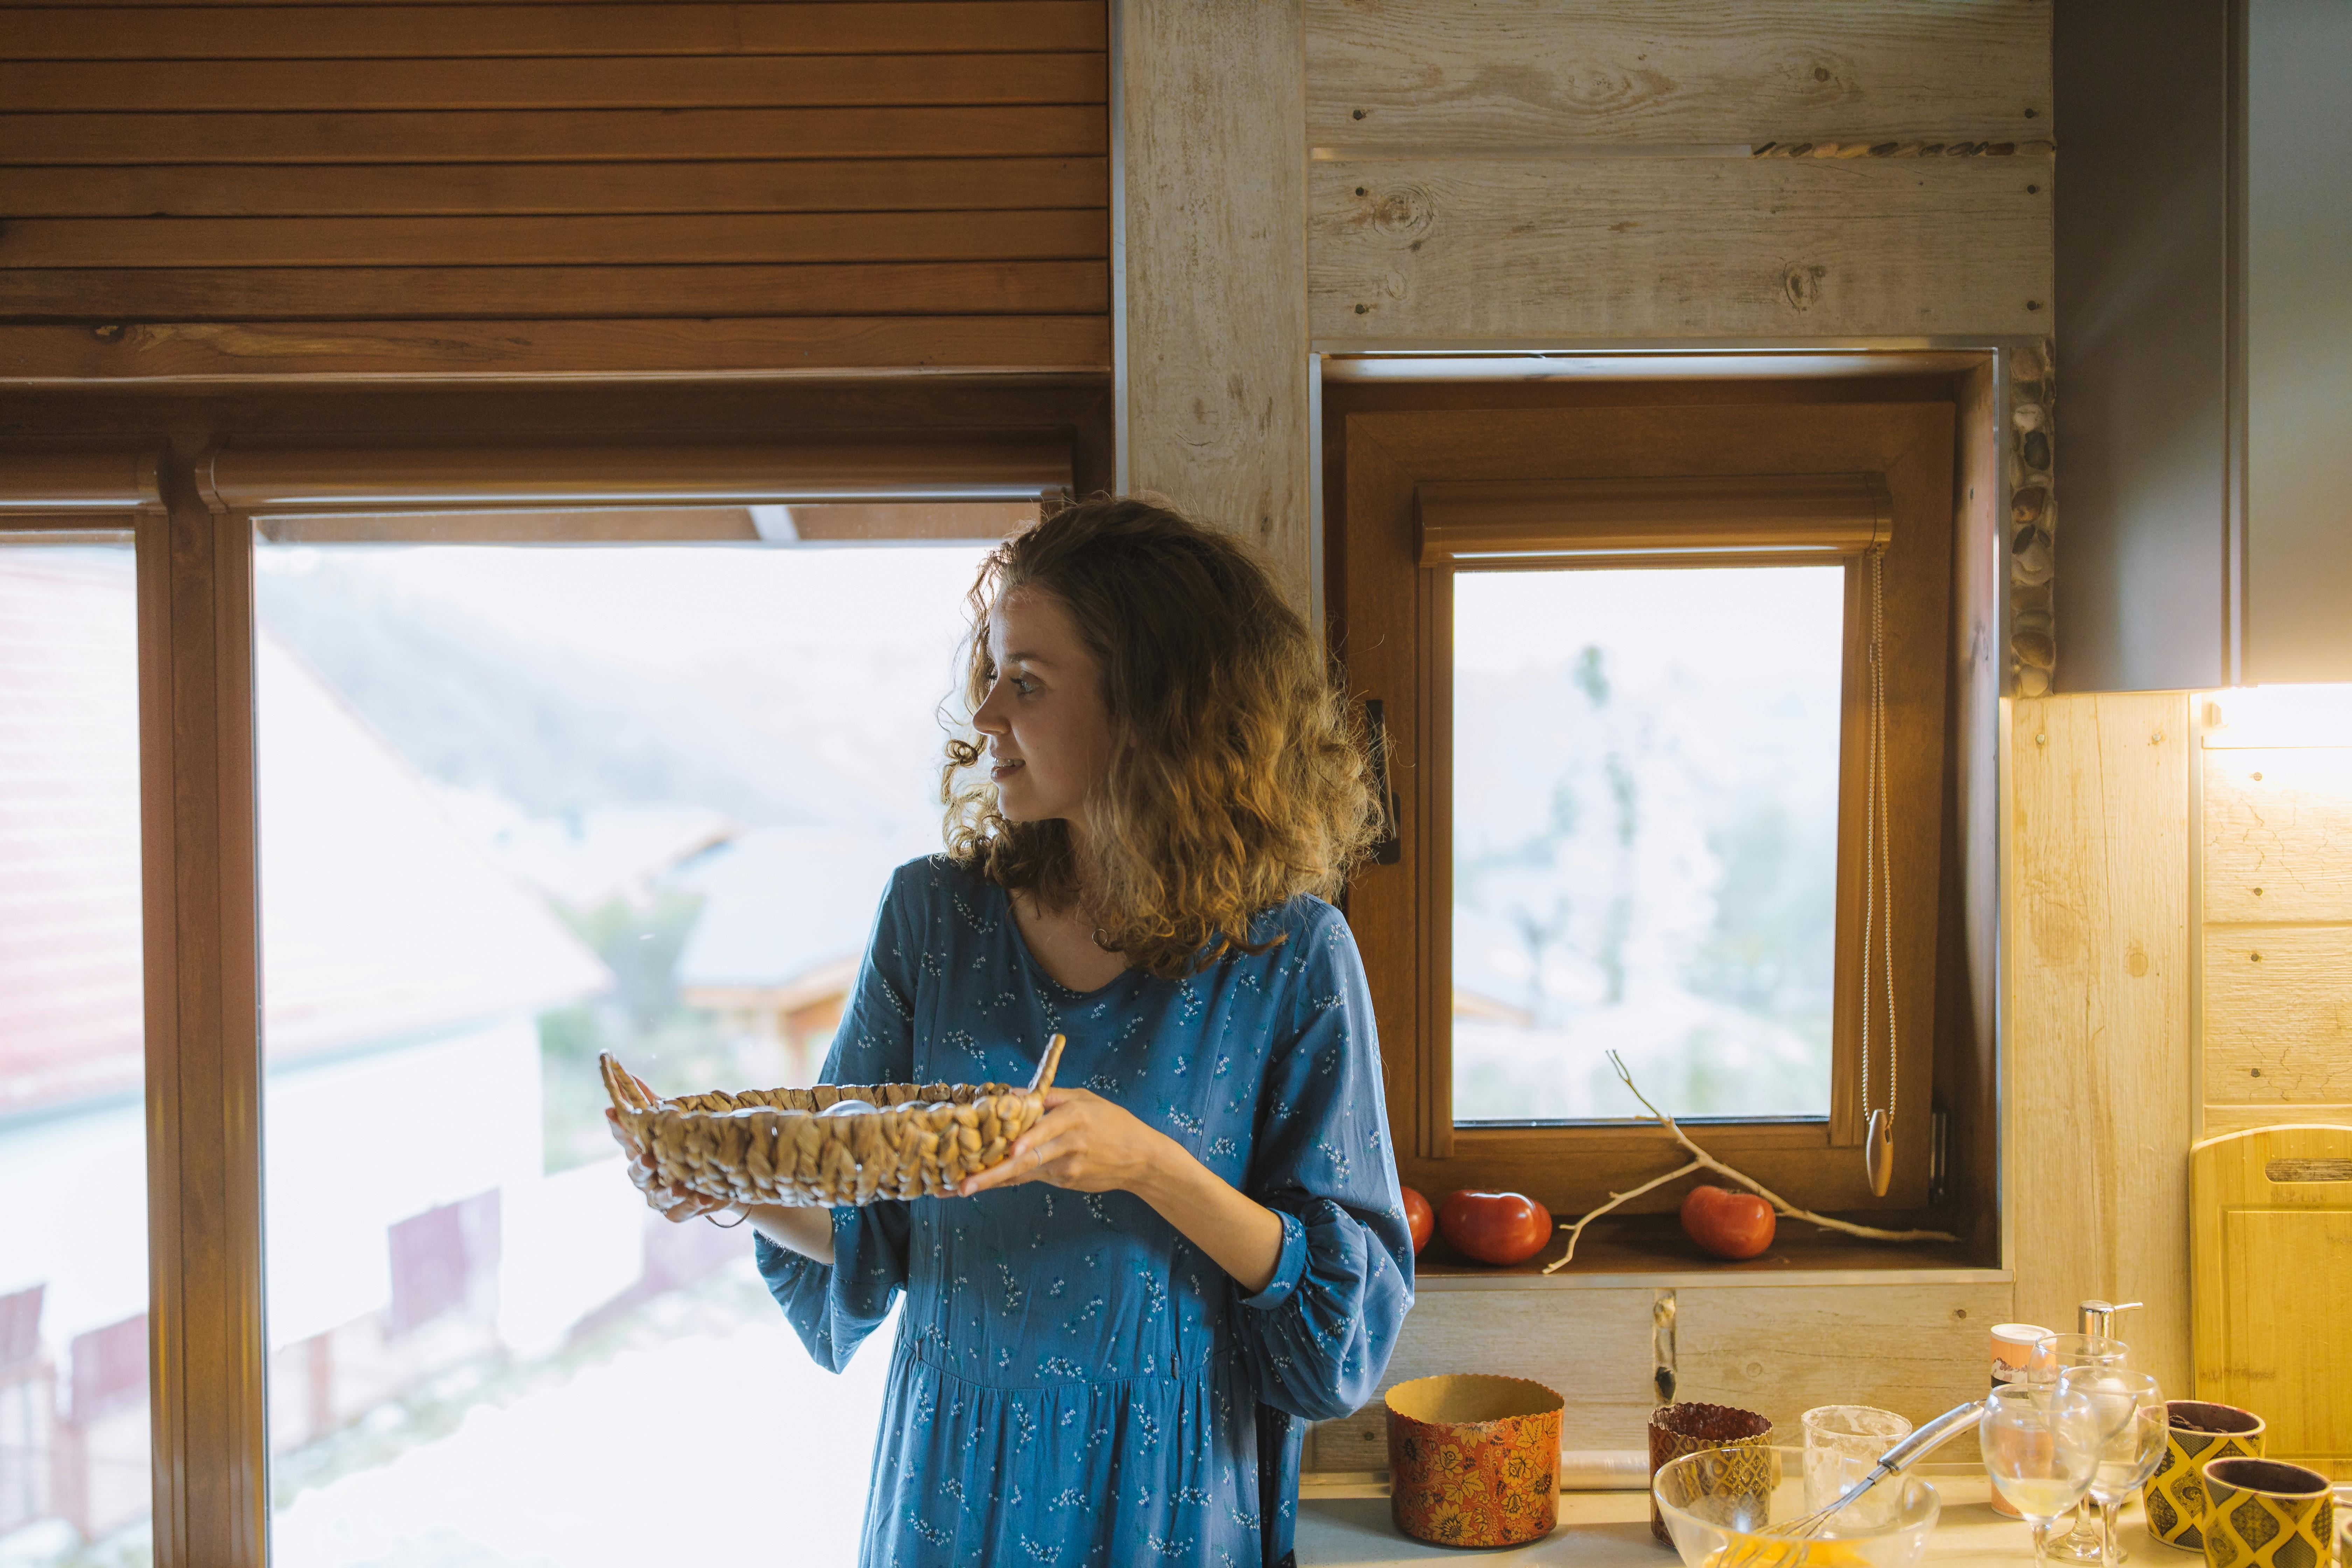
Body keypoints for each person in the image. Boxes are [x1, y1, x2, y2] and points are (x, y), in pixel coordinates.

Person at [612, 496, 1413, 1567]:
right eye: (990, 676)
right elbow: (872, 1237)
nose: (983, 717)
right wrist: (734, 1184)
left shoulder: (1292, 958)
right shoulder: (932, 920)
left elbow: (1340, 1332)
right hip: (950, 1484)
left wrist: (1149, 1168)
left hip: (1168, 1499)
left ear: (1152, 710)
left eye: (1025, 683)